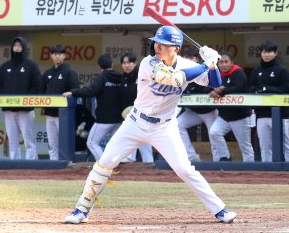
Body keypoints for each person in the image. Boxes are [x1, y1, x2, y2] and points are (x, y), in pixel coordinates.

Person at [64, 26, 237, 225]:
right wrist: (207, 63)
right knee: (105, 162)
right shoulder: (149, 63)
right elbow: (175, 78)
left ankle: (220, 210)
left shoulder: (186, 64)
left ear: (176, 48)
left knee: (184, 169)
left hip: (164, 127)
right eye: (157, 42)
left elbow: (214, 83)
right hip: (136, 123)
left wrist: (213, 65)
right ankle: (81, 209)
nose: (158, 46)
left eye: (164, 44)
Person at [65, 55, 124, 161]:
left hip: (104, 119)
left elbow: (90, 91)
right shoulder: (120, 77)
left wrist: (73, 91)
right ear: (112, 64)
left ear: (99, 67)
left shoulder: (102, 77)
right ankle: (116, 165)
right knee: (117, 145)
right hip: (119, 118)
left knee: (91, 143)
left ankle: (104, 165)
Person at [248, 40, 289, 162]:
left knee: (286, 144)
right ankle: (268, 170)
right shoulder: (257, 70)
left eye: (270, 52)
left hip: (279, 115)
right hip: (261, 114)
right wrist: (257, 90)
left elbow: (287, 90)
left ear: (275, 53)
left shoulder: (282, 70)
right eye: (264, 52)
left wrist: (266, 89)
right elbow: (250, 88)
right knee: (264, 146)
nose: (267, 55)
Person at [177, 48, 226, 162]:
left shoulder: (203, 71)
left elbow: (211, 86)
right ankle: (191, 156)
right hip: (194, 112)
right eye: (186, 58)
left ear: (197, 59)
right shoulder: (183, 72)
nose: (189, 61)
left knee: (213, 134)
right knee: (177, 125)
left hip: (209, 111)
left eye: (192, 58)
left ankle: (219, 160)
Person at [0, 36, 42, 160]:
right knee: (12, 140)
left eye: (20, 46)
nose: (17, 48)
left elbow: (37, 86)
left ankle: (32, 164)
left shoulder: (31, 66)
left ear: (24, 48)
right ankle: (15, 165)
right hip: (9, 110)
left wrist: (27, 99)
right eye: (15, 45)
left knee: (28, 140)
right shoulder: (4, 66)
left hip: (25, 110)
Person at [208, 51, 255, 163]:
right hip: (224, 116)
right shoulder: (216, 74)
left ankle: (250, 171)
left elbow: (238, 88)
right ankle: (225, 157)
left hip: (240, 115)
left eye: (226, 62)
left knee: (245, 147)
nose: (223, 64)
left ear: (231, 63)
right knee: (214, 132)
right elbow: (208, 86)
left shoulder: (238, 72)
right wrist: (212, 91)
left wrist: (222, 91)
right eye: (221, 62)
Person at [43, 44, 80, 161]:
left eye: (60, 54)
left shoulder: (69, 72)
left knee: (64, 143)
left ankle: (67, 164)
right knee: (52, 143)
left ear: (64, 56)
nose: (57, 57)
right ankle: (53, 165)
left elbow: (76, 90)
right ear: (51, 56)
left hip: (64, 115)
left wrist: (71, 92)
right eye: (54, 54)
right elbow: (41, 90)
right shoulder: (47, 72)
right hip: (50, 113)